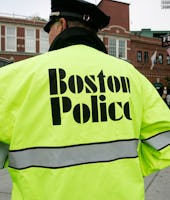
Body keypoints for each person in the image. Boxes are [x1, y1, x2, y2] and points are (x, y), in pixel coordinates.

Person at [0, 0, 170, 199]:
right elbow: (165, 144)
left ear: (61, 25)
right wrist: (127, 168)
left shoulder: (15, 77)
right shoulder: (132, 77)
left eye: (50, 30)